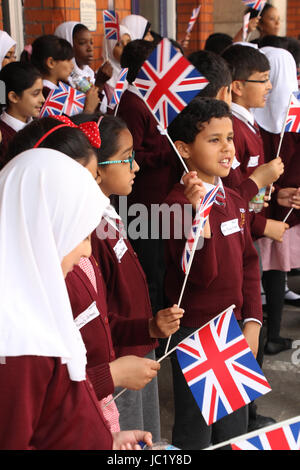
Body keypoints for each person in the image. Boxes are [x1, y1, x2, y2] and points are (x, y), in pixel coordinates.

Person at [0, 146, 153, 450]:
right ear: (44, 232)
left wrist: (104, 441)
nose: (86, 250)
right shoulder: (20, 342)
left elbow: (51, 422)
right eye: (80, 236)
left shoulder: (35, 309)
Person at [70, 112, 183, 441]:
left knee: (144, 435)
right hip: (116, 362)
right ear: (96, 170)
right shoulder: (86, 233)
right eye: (126, 158)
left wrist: (147, 326)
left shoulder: (108, 212)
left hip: (133, 349)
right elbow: (97, 316)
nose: (136, 166)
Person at [164, 97, 263, 450]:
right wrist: (199, 222)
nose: (227, 148)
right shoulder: (174, 207)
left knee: (233, 428)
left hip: (233, 327)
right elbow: (199, 278)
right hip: (198, 332)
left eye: (230, 138)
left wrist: (252, 321)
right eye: (214, 139)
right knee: (197, 432)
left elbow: (250, 263)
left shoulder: (234, 199)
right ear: (184, 150)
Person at [117, 39, 182, 315]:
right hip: (145, 199)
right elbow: (133, 155)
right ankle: (154, 318)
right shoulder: (133, 104)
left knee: (162, 261)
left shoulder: (149, 101)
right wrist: (168, 154)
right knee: (150, 264)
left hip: (161, 196)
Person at [253, 46, 300, 354]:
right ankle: (269, 335)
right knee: (275, 271)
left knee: (260, 271)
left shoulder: (251, 118)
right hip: (287, 207)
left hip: (262, 206)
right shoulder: (294, 118)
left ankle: (264, 334)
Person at [221, 44, 287, 243]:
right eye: (263, 79)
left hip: (247, 230)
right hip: (236, 231)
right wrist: (262, 225)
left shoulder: (248, 121)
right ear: (237, 86)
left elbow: (248, 184)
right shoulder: (231, 129)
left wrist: (274, 194)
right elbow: (229, 193)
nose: (270, 86)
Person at [54, 21, 110, 113]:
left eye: (91, 43)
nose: (90, 48)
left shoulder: (91, 75)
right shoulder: (62, 83)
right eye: (82, 43)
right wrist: (99, 85)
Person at [0, 61, 44, 167]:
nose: (43, 99)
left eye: (42, 92)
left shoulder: (41, 126)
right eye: (36, 94)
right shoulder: (3, 136)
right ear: (14, 97)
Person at [104, 25, 131, 108]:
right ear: (110, 46)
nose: (126, 48)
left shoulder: (134, 70)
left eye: (129, 43)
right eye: (119, 44)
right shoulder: (103, 74)